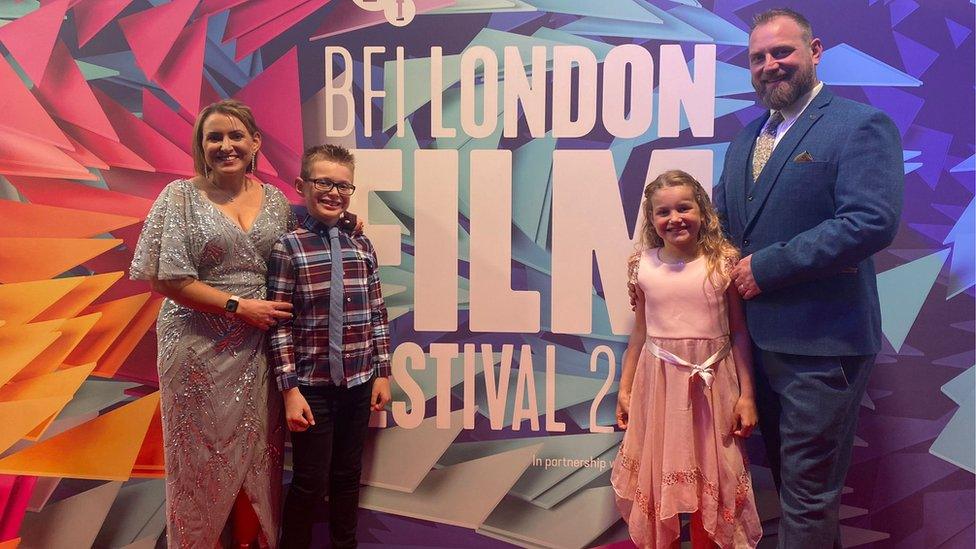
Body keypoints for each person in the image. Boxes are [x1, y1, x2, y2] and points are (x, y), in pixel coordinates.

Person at [712, 8, 903, 547]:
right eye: (758, 58)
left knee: (807, 499)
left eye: (782, 52)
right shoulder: (745, 139)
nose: (770, 65)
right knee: (794, 495)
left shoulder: (859, 124)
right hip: (755, 349)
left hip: (823, 348)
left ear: (815, 51)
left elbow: (871, 220)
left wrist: (766, 268)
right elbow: (725, 230)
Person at [130, 99, 296, 548]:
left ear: (255, 142)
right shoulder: (179, 197)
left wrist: (346, 226)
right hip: (195, 347)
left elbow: (297, 254)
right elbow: (166, 279)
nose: (226, 146)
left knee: (257, 457)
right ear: (201, 147)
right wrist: (238, 306)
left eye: (236, 136)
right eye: (214, 138)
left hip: (258, 349)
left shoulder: (277, 200)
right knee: (198, 460)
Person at [612, 170, 762, 548]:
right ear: (652, 220)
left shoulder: (723, 262)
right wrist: (624, 388)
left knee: (715, 474)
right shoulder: (641, 266)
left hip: (714, 387)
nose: (674, 218)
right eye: (663, 212)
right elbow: (640, 333)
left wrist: (747, 395)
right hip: (659, 387)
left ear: (702, 211)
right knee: (662, 474)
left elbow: (740, 332)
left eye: (684, 207)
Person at [268, 144, 392, 549]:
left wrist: (382, 374)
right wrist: (289, 390)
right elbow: (280, 324)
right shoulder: (289, 247)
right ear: (302, 185)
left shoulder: (362, 245)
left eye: (343, 185)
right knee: (310, 481)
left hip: (359, 382)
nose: (333, 192)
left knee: (347, 477)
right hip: (311, 387)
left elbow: (376, 311)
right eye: (324, 182)